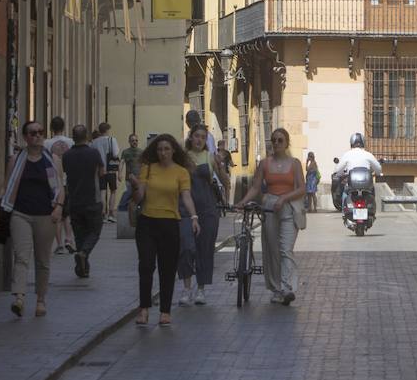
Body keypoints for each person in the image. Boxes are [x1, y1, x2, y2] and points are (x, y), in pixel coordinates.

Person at [0, 120, 65, 318]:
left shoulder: (52, 159)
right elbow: (5, 186)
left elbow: (60, 189)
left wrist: (59, 209)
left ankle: (41, 300)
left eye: (40, 132)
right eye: (33, 133)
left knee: (43, 260)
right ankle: (19, 298)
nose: (37, 136)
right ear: (25, 137)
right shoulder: (16, 159)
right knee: (21, 256)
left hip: (46, 215)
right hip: (21, 214)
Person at [130, 134, 196, 326]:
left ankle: (165, 311)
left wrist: (193, 217)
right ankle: (143, 310)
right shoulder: (147, 169)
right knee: (146, 266)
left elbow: (186, 197)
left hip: (169, 224)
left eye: (166, 149)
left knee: (167, 269)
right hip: (147, 223)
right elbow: (139, 197)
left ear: (173, 150)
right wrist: (135, 186)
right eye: (159, 150)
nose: (163, 153)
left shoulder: (181, 172)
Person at [240, 128, 307, 305]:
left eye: (280, 140)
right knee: (272, 249)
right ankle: (277, 289)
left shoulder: (295, 163)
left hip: (289, 207)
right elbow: (255, 187)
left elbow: (302, 188)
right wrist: (242, 202)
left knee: (286, 249)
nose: (276, 143)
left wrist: (284, 197)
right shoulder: (264, 164)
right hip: (269, 206)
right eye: (274, 140)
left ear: (286, 143)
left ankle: (287, 288)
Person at [177, 124, 229, 306]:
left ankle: (200, 289)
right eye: (196, 136)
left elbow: (226, 183)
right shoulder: (182, 158)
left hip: (207, 208)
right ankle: (186, 288)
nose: (199, 140)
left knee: (205, 249)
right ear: (190, 137)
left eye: (203, 137)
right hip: (184, 207)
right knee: (185, 247)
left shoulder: (210, 157)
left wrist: (221, 167)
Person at [62, 125, 106, 279]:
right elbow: (102, 172)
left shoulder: (66, 155)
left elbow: (66, 173)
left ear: (73, 137)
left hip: (74, 201)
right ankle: (83, 253)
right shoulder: (93, 153)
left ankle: (82, 269)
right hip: (92, 200)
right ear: (87, 136)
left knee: (79, 235)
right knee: (95, 231)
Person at [44, 117, 75, 254]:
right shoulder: (70, 142)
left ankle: (59, 244)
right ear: (63, 127)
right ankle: (69, 239)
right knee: (67, 214)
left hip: (53, 182)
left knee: (57, 213)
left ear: (51, 128)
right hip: (68, 181)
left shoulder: (46, 143)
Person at [92, 123, 121, 223]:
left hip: (100, 170)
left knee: (102, 192)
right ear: (107, 130)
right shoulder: (112, 140)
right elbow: (116, 153)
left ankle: (103, 214)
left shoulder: (94, 142)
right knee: (113, 192)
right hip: (111, 170)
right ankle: (111, 214)